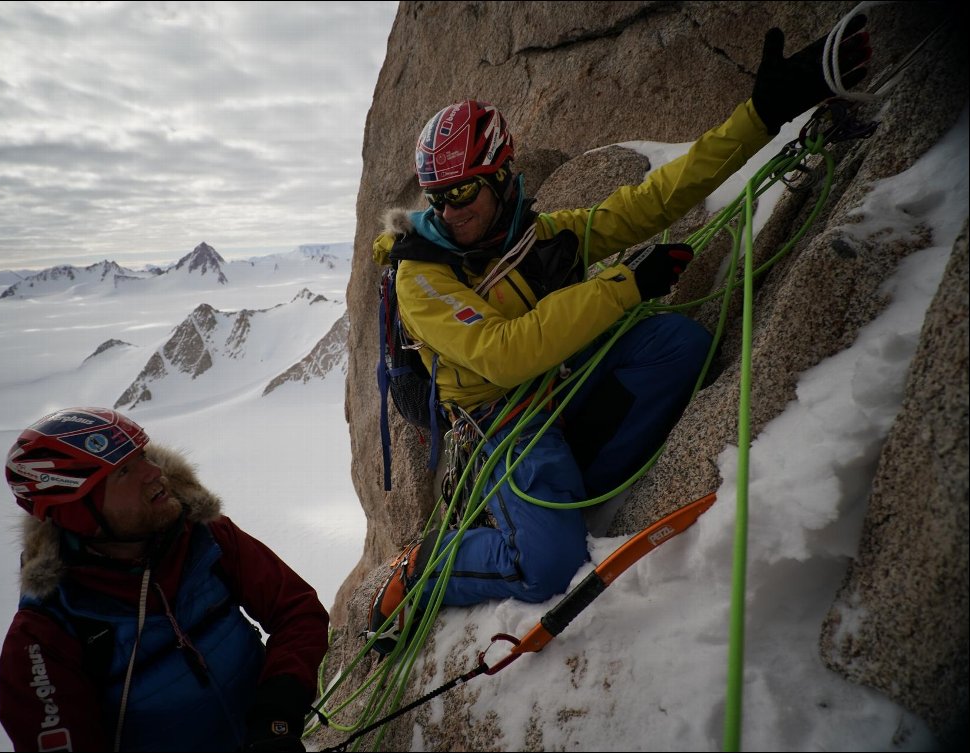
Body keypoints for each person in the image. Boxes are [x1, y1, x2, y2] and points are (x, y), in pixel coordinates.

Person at [367, 18, 872, 648]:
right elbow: (501, 353)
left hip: (555, 390)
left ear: (501, 176)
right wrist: (624, 285)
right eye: (438, 195)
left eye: (464, 189)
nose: (449, 209)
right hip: (500, 423)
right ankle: (424, 570)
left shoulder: (541, 237)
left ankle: (564, 485)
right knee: (546, 564)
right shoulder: (419, 275)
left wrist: (761, 115)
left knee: (679, 345)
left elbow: (652, 201)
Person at [0, 407, 328, 752]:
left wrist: (276, 719)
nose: (154, 472)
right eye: (125, 471)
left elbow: (296, 610)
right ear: (76, 512)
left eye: (142, 455)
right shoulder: (45, 638)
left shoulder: (203, 536)